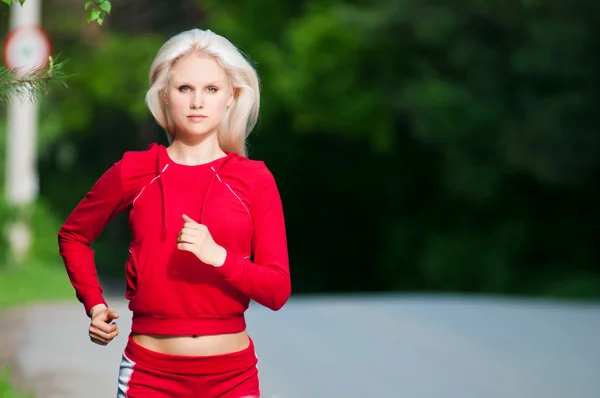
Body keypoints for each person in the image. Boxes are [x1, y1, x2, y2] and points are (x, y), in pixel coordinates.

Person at [57, 28, 291, 398]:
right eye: (184, 89)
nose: (197, 101)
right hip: (149, 375)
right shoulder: (136, 170)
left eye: (211, 89)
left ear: (231, 97)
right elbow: (74, 234)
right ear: (164, 96)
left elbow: (277, 290)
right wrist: (95, 303)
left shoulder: (254, 179)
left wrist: (219, 257)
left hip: (232, 378)